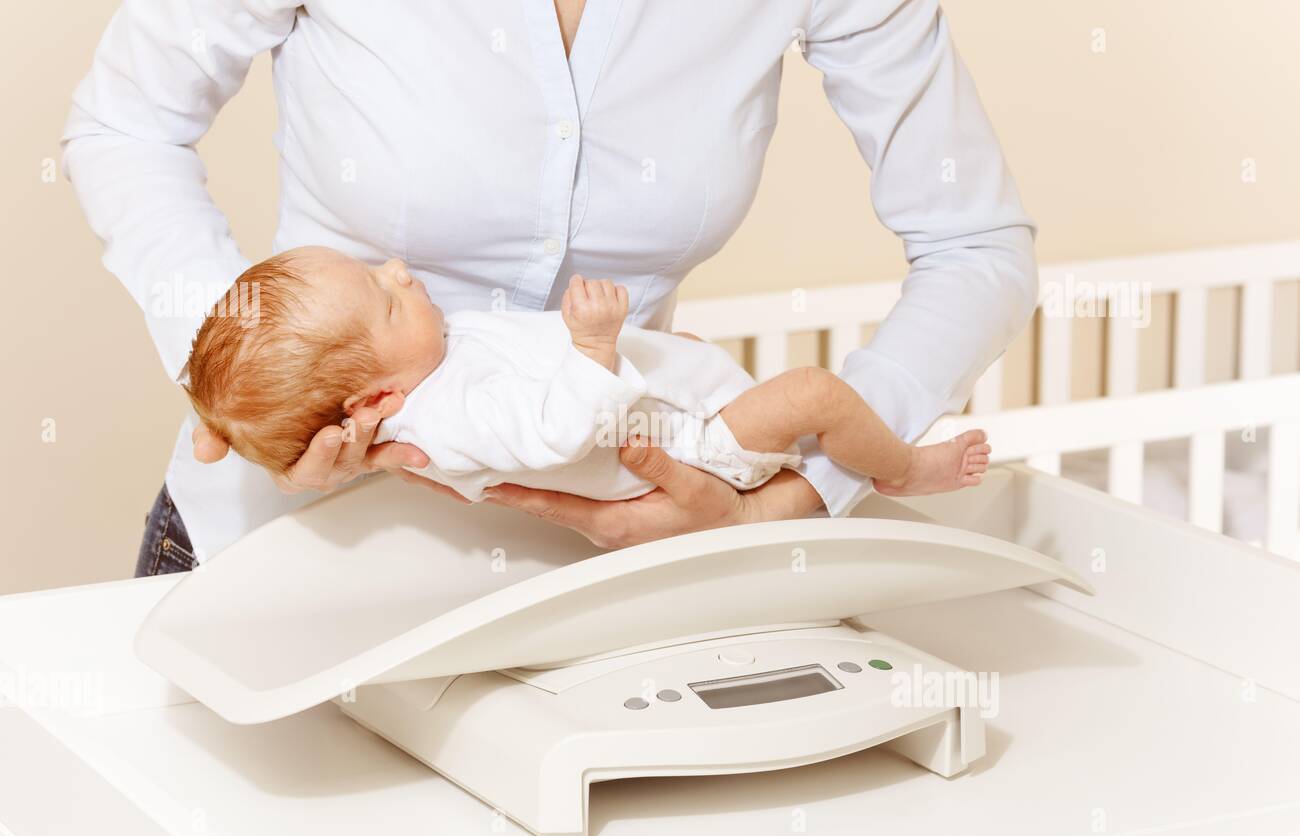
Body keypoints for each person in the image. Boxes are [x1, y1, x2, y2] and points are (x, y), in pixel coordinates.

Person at [62, 0, 1037, 572]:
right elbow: (125, 128)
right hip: (280, 557)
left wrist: (806, 489)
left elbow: (977, 243)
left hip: (607, 576)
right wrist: (238, 367)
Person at [182, 247, 991, 503]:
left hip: (680, 409)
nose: (398, 270)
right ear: (379, 400)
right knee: (815, 393)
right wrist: (600, 348)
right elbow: (558, 430)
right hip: (692, 454)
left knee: (721, 368)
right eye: (384, 295)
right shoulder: (447, 417)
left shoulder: (425, 365)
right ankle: (907, 469)